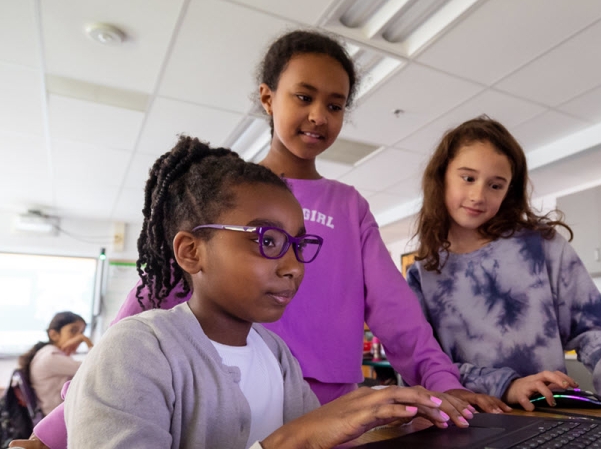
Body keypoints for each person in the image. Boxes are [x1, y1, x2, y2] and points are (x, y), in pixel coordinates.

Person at [18, 28, 506, 449]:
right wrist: (53, 432)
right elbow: (141, 315)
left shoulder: (349, 205)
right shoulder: (223, 195)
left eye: (334, 105)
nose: (318, 115)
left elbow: (398, 315)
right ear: (268, 97)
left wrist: (442, 386)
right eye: (303, 96)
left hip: (328, 403)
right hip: (217, 402)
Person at [58, 137, 455, 448]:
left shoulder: (275, 354)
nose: (293, 266)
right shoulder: (138, 351)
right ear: (191, 252)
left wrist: (385, 418)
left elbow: (320, 431)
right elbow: (303, 437)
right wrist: (292, 441)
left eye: (299, 246)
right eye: (267, 240)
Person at [407, 116, 601, 411]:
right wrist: (506, 385)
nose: (478, 195)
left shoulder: (544, 246)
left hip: (548, 417)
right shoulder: (422, 275)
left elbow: (595, 330)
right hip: (466, 423)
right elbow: (422, 369)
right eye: (468, 178)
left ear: (509, 191)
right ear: (441, 176)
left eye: (495, 185)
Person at [17, 312, 92, 415]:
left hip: (56, 415)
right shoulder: (51, 356)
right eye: (73, 331)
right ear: (54, 335)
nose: (79, 337)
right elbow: (95, 368)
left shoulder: (48, 353)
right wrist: (87, 341)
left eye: (82, 332)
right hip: (58, 418)